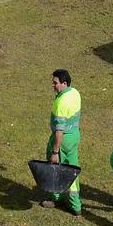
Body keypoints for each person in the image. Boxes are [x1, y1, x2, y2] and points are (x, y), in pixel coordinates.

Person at [40, 69, 82, 216]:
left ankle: (56, 198)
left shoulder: (61, 102)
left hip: (63, 139)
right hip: (74, 135)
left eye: (55, 82)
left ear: (64, 83)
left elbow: (59, 131)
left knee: (56, 167)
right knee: (72, 169)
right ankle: (75, 205)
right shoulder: (75, 92)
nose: (53, 85)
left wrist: (55, 151)